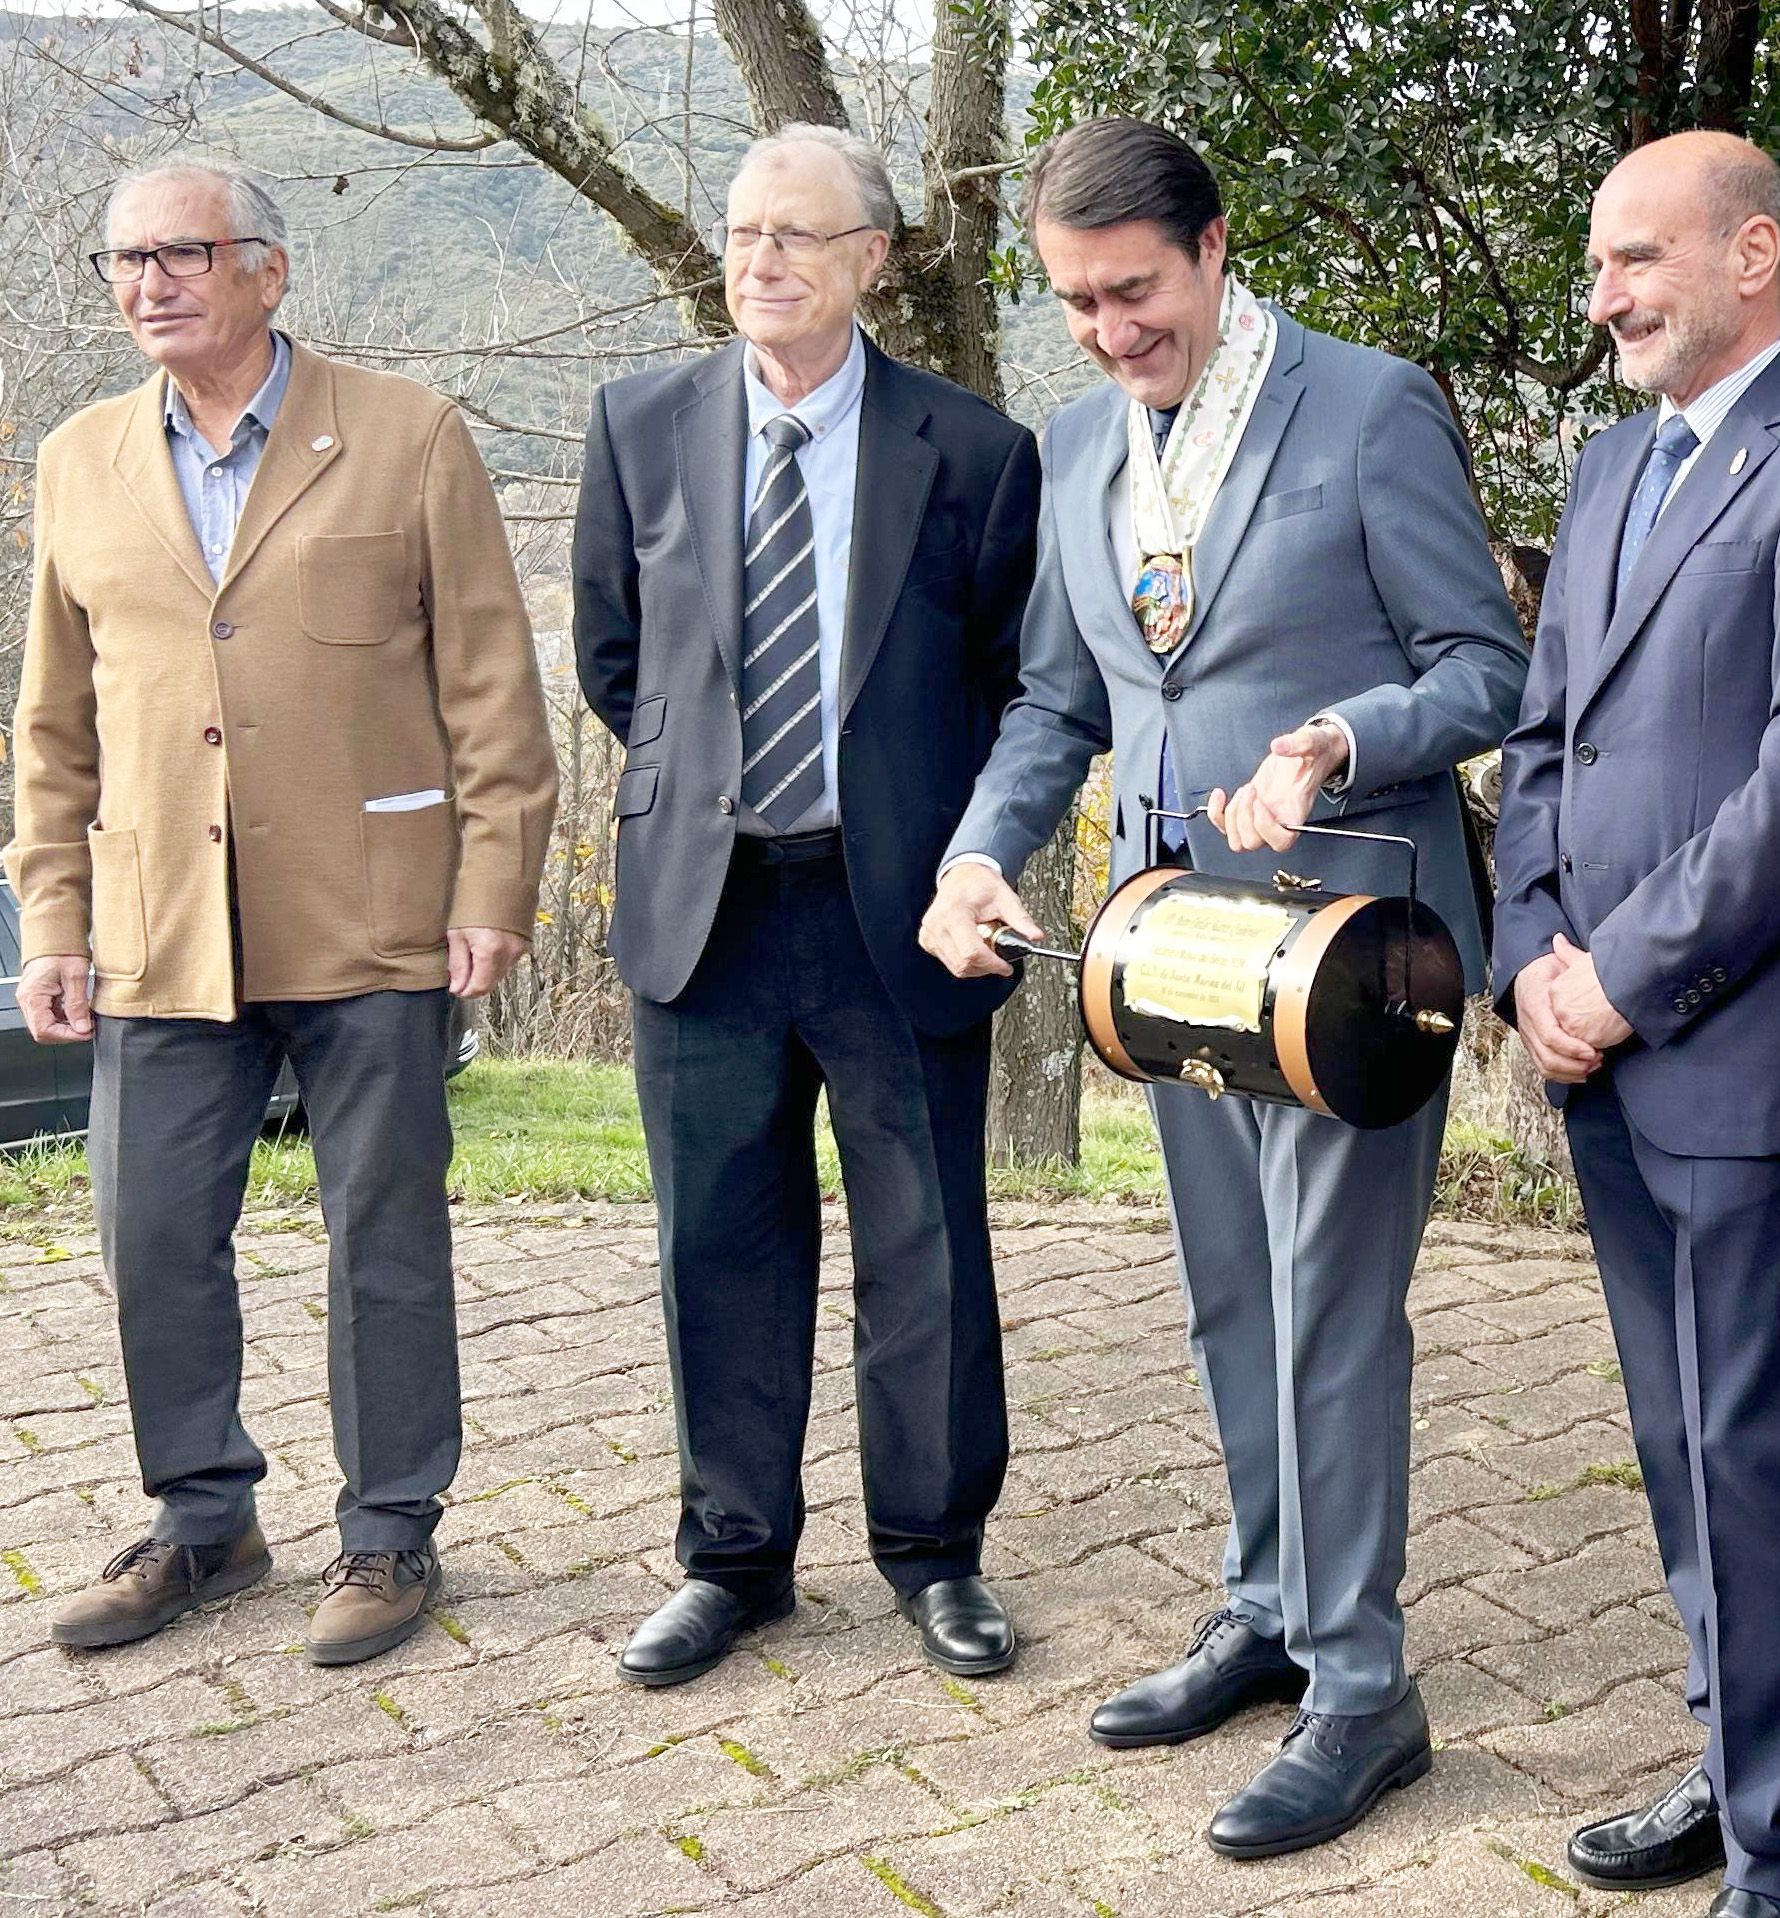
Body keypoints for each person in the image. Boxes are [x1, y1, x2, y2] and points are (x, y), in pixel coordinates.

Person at [919, 117, 1524, 1856]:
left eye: (1134, 292)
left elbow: (1487, 668)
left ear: (1214, 248)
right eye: (1078, 306)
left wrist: (1339, 739)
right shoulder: (1083, 446)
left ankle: (1362, 1689)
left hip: (1352, 959)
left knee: (1332, 1314)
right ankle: (1266, 1609)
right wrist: (982, 854)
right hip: (1174, 958)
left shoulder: (1368, 404)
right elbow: (1058, 704)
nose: (1111, 332)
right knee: (1231, 1304)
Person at [11, 162, 556, 1665]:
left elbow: (495, 695)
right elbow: (54, 721)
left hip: (373, 912)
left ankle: (388, 1531)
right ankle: (204, 1520)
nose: (149, 283)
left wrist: (492, 890)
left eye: (183, 253)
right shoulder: (78, 458)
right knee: (151, 1233)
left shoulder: (406, 435)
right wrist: (54, 913)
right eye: (125, 258)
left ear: (268, 270)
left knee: (381, 1228)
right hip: (157, 924)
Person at [1492, 133, 1780, 1918]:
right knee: (1673, 1440)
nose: (1600, 294)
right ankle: (1730, 1759)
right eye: (1600, 264)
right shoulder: (1608, 470)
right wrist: (1532, 947)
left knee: (1749, 1450)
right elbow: (1544, 740)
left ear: (1752, 254)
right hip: (1591, 1035)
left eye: (1632, 259)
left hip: (1737, 1048)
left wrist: (1622, 970)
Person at [572, 125, 1040, 1688]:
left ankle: (933, 1551)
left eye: (794, 233)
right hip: (704, 906)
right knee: (719, 1234)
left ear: (872, 259)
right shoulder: (639, 425)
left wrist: (946, 838)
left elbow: (1005, 680)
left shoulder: (972, 449)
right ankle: (734, 1557)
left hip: (893, 911)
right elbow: (615, 662)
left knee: (926, 1238)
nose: (757, 259)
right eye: (739, 229)